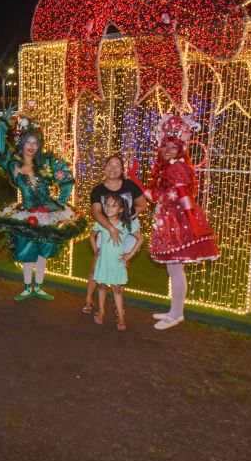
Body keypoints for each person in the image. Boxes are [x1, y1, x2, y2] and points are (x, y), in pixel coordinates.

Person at [129, 113, 220, 330]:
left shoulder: (176, 167)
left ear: (181, 149)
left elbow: (182, 194)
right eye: (165, 146)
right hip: (169, 219)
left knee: (175, 269)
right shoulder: (169, 168)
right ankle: (174, 311)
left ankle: (176, 314)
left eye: (173, 147)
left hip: (177, 222)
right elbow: (154, 197)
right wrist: (134, 179)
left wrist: (193, 220)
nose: (168, 150)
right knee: (173, 269)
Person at [0, 107, 86, 301]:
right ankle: (26, 287)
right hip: (26, 214)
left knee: (42, 252)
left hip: (48, 214)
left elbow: (66, 180)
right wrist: (2, 125)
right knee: (27, 251)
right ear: (22, 143)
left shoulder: (48, 163)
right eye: (28, 142)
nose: (32, 146)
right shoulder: (14, 164)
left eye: (35, 142)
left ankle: (38, 286)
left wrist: (59, 203)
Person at [84, 155, 147, 315]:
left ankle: (118, 306)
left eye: (117, 165)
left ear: (122, 170)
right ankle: (88, 299)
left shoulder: (130, 186)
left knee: (122, 266)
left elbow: (142, 205)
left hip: (128, 231)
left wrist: (126, 218)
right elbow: (96, 212)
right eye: (110, 165)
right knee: (95, 266)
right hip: (105, 230)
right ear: (104, 169)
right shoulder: (98, 190)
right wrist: (111, 228)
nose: (113, 168)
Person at [89, 193, 143, 330]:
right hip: (103, 261)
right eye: (106, 205)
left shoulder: (125, 225)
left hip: (117, 262)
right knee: (101, 286)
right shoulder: (101, 223)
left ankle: (120, 315)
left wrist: (129, 255)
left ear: (120, 210)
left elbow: (140, 238)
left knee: (117, 289)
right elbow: (92, 235)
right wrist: (96, 249)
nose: (109, 208)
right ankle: (101, 311)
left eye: (113, 206)